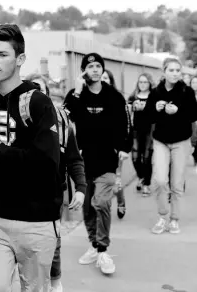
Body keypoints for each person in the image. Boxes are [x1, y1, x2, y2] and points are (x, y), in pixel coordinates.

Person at [0, 24, 62, 291]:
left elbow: (48, 165)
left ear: (20, 60)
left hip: (38, 223)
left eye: (2, 54)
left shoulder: (38, 103)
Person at [64, 53, 130, 275]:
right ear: (84, 71)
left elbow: (125, 124)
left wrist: (123, 148)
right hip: (83, 160)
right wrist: (77, 89)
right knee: (87, 207)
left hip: (107, 159)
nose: (94, 69)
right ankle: (94, 244)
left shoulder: (114, 96)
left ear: (102, 70)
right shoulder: (77, 95)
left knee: (101, 202)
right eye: (90, 66)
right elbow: (67, 115)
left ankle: (103, 249)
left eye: (98, 66)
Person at [25, 73, 86, 292]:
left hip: (51, 192)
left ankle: (55, 281)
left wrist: (80, 189)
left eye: (41, 90)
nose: (36, 94)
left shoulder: (62, 122)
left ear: (48, 96)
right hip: (21, 192)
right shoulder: (18, 122)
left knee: (53, 239)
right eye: (32, 90)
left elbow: (74, 159)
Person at [144, 58, 197, 235]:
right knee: (160, 180)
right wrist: (155, 108)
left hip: (181, 142)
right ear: (164, 72)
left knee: (176, 183)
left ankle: (174, 219)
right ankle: (162, 216)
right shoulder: (156, 92)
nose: (175, 73)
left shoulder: (187, 91)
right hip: (161, 141)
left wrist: (178, 111)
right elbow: (148, 117)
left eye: (178, 70)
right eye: (171, 70)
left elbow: (194, 115)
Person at [101, 69, 132, 217]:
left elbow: (127, 125)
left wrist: (124, 147)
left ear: (110, 80)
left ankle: (120, 201)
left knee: (115, 178)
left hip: (115, 146)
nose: (102, 80)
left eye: (105, 77)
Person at [128, 73, 154, 196]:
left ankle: (146, 184)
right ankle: (141, 177)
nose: (143, 84)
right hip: (136, 131)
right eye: (140, 82)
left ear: (149, 83)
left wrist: (147, 107)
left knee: (147, 158)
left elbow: (156, 112)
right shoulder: (133, 96)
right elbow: (127, 113)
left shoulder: (154, 96)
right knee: (135, 157)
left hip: (150, 131)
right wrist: (133, 106)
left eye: (145, 82)